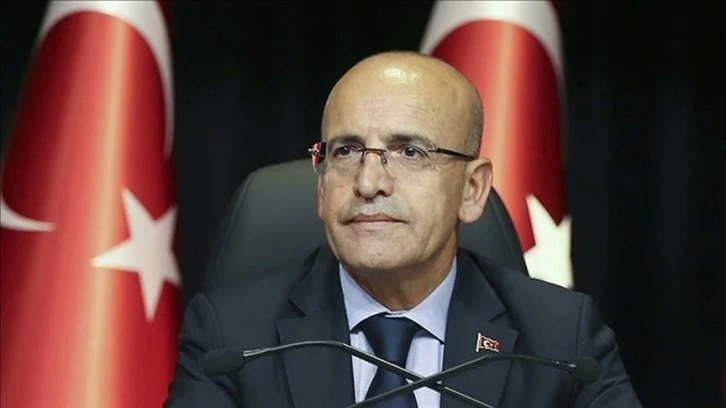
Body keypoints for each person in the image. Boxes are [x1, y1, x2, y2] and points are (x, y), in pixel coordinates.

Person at [164, 51, 641, 407]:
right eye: (346, 151)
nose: (368, 183)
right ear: (321, 186)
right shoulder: (233, 337)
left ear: (472, 189)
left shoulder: (560, 340)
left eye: (410, 152)